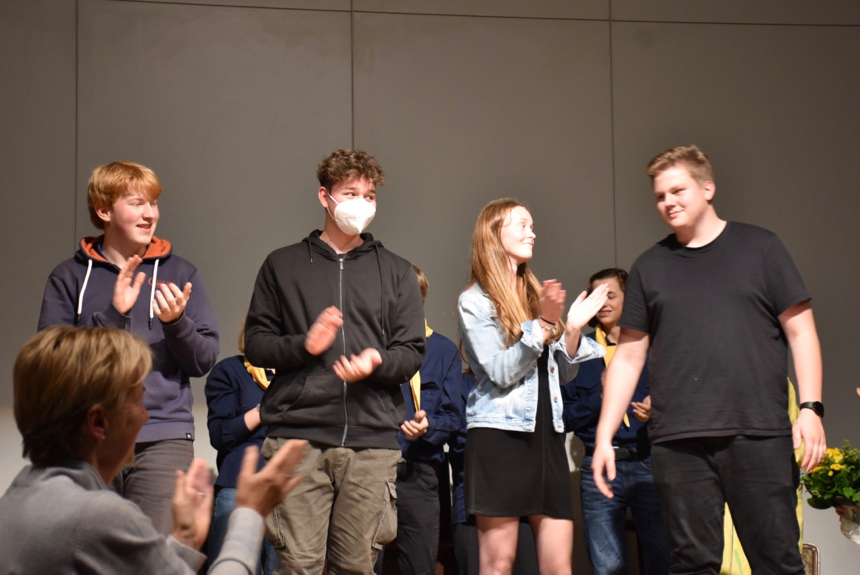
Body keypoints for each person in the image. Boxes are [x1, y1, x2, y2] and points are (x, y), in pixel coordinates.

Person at [592, 145, 827, 574]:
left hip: (757, 433)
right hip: (678, 441)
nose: (668, 202)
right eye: (660, 196)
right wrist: (606, 434)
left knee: (777, 561)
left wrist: (811, 408)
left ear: (707, 188)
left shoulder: (761, 247)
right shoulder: (649, 266)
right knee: (691, 564)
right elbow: (627, 357)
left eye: (677, 190)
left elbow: (801, 331)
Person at [244, 148, 425, 574]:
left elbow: (411, 350)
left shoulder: (397, 271)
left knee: (357, 567)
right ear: (324, 197)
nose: (362, 204)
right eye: (350, 193)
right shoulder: (282, 264)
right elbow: (256, 343)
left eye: (370, 195)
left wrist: (376, 362)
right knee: (298, 565)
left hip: (371, 441)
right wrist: (304, 345)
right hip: (297, 437)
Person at [0, 325, 305, 574]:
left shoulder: (14, 502)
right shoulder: (99, 515)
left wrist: (183, 541)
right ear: (99, 422)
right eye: (138, 400)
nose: (146, 416)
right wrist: (250, 514)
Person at [37, 161, 220, 535]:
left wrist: (176, 323)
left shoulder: (181, 273)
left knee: (157, 552)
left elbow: (203, 361)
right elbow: (50, 365)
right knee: (92, 551)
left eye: (153, 203)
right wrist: (113, 315)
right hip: (88, 438)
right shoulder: (69, 277)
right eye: (137, 203)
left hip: (163, 436)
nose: (150, 214)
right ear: (104, 211)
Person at [457, 198, 607, 575]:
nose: (532, 233)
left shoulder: (534, 295)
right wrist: (543, 325)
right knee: (498, 564)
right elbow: (500, 372)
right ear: (495, 233)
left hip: (547, 438)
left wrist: (572, 330)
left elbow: (562, 374)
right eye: (523, 225)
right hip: (499, 439)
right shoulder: (474, 301)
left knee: (559, 567)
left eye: (533, 226)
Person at [562, 268, 670, 575]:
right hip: (597, 465)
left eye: (611, 295)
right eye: (597, 297)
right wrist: (601, 396)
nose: (604, 304)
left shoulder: (653, 346)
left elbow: (683, 396)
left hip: (649, 460)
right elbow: (565, 417)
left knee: (663, 557)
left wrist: (657, 407)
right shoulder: (577, 352)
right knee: (607, 565)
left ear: (630, 298)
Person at [394, 265, 470, 575]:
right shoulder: (372, 350)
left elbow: (454, 418)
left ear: (420, 297)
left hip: (420, 470)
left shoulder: (443, 350)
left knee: (419, 566)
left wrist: (429, 427)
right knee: (361, 564)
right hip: (371, 469)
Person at [205, 320, 278, 574]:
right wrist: (262, 411)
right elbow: (220, 435)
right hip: (239, 484)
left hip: (288, 488)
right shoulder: (230, 371)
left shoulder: (299, 377)